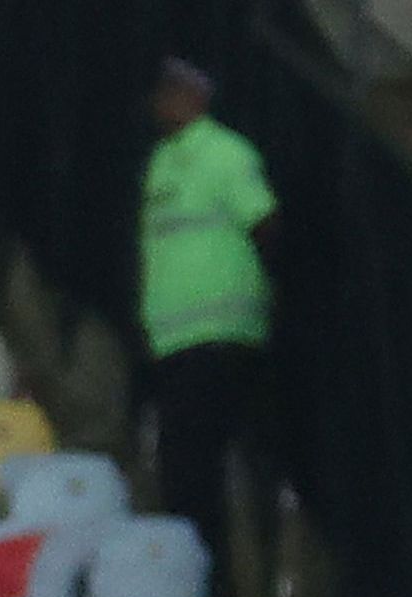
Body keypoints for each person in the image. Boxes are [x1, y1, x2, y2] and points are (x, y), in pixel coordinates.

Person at [140, 58, 276, 555]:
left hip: (219, 332)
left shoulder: (225, 153)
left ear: (196, 96)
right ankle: (201, 565)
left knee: (193, 462)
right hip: (176, 338)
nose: (161, 101)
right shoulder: (162, 161)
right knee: (181, 463)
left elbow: (264, 221)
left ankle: (210, 571)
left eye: (172, 90)